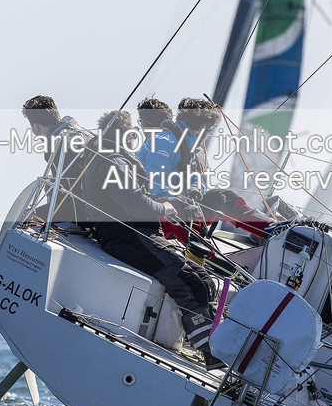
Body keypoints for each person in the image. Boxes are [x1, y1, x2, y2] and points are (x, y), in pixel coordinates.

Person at [19, 97, 214, 352]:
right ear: (128, 137)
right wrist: (164, 208)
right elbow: (131, 203)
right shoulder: (112, 158)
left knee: (203, 279)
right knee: (191, 279)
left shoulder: (102, 154)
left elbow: (79, 191)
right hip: (127, 234)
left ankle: (209, 343)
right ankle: (210, 350)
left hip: (128, 230)